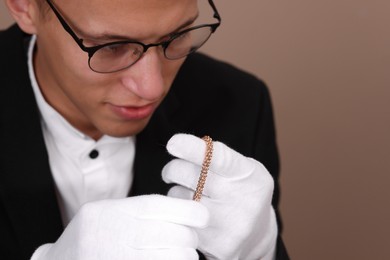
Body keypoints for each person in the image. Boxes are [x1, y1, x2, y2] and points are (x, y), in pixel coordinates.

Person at [0, 0, 290, 259]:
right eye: (111, 47)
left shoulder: (239, 103)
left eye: (176, 37)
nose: (152, 88)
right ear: (25, 6)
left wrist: (262, 252)